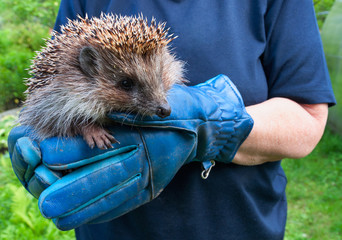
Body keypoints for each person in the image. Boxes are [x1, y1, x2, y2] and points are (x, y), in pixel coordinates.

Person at [10, 0, 336, 239]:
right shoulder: (76, 74)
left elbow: (306, 119)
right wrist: (77, 129)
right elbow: (48, 86)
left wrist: (209, 123)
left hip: (237, 226)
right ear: (90, 68)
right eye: (126, 85)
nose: (161, 106)